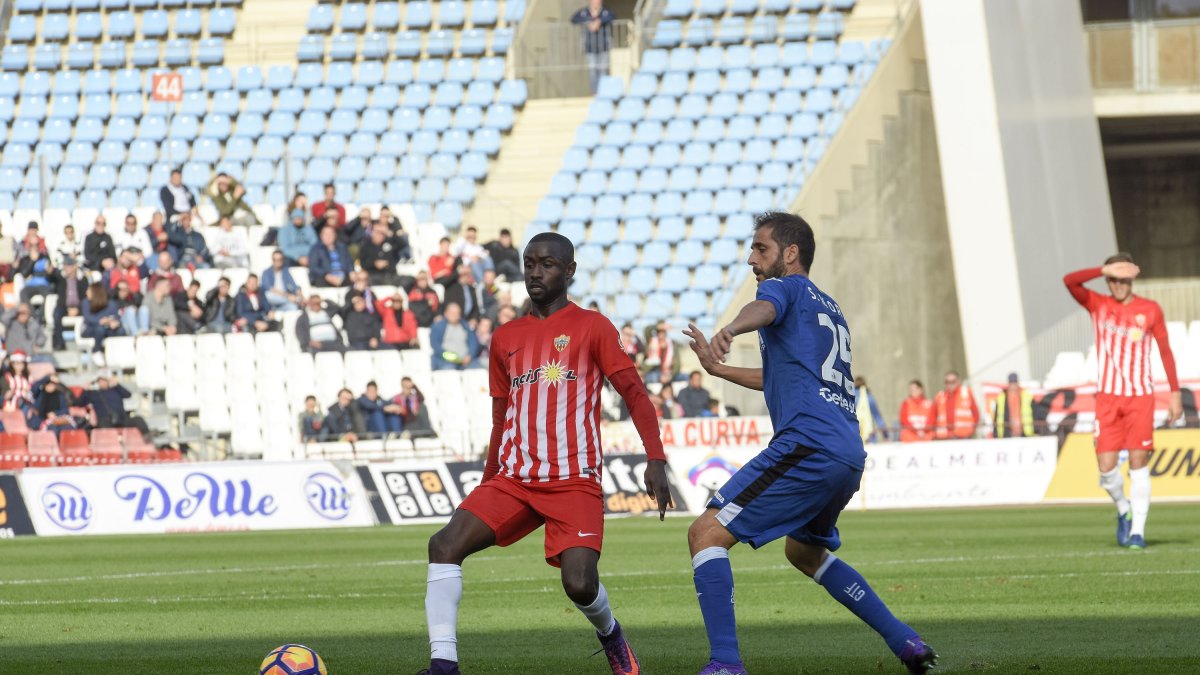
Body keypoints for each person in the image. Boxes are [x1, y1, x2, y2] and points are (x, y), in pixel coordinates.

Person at [681, 211, 936, 675]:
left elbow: (764, 308)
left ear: (790, 253)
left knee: (705, 534)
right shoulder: (829, 308)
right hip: (847, 453)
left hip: (808, 443)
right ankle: (905, 639)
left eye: (761, 249)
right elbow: (784, 374)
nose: (752, 260)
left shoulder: (785, 288)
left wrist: (731, 330)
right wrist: (718, 371)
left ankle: (725, 663)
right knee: (804, 552)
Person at [419, 231, 672, 675]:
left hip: (573, 480)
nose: (536, 272)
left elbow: (633, 392)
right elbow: (502, 417)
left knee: (578, 584)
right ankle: (444, 666)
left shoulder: (593, 326)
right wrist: (488, 479)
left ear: (569, 271)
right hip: (514, 480)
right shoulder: (505, 337)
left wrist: (655, 458)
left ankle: (611, 634)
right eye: (530, 263)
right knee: (443, 545)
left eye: (548, 264)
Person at [1064, 253, 1182, 550]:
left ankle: (1138, 533)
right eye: (1113, 279)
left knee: (1139, 463)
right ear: (1107, 280)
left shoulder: (1150, 309)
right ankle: (1122, 508)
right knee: (1106, 468)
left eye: (1124, 278)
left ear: (1132, 279)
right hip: (1108, 399)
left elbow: (1165, 351)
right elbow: (1069, 281)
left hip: (1140, 398)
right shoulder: (1098, 304)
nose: (1119, 284)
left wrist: (1175, 393)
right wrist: (1103, 268)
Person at [79, 371, 150, 438]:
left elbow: (128, 394)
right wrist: (85, 390)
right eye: (100, 381)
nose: (102, 382)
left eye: (104, 380)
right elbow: (79, 403)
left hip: (121, 419)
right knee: (103, 426)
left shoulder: (115, 390)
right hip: (105, 421)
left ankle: (147, 437)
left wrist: (117, 384)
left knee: (138, 419)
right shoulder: (93, 394)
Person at [571, 0, 615, 95]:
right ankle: (595, 92)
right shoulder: (584, 12)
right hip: (589, 47)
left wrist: (599, 21)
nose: (596, 2)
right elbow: (574, 19)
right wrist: (588, 22)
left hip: (604, 46)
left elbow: (612, 16)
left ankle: (603, 92)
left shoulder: (605, 11)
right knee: (592, 71)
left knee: (603, 70)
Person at [50, 256, 87, 350]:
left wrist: (77, 309)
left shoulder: (82, 280)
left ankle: (85, 337)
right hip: (64, 306)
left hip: (80, 306)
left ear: (74, 267)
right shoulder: (61, 280)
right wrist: (50, 270)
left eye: (68, 266)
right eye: (65, 266)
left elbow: (84, 297)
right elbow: (52, 276)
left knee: (87, 308)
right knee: (57, 314)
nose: (66, 268)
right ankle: (59, 343)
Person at [430, 303, 478, 371]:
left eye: (457, 313)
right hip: (444, 361)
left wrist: (470, 356)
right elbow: (436, 346)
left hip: (467, 361)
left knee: (483, 366)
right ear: (446, 313)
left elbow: (473, 343)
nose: (455, 315)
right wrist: (454, 358)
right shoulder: (438, 327)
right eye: (452, 313)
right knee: (449, 370)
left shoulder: (466, 326)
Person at [932, 370, 978, 440]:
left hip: (964, 435)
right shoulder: (939, 396)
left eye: (953, 381)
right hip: (945, 436)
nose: (950, 384)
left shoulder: (966, 393)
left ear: (958, 381)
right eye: (947, 382)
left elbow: (975, 413)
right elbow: (933, 416)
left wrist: (972, 430)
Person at [82, 283, 125, 353]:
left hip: (108, 328)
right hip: (91, 329)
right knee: (100, 329)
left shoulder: (111, 303)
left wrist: (115, 322)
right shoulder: (86, 303)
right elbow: (88, 319)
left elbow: (116, 317)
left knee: (121, 331)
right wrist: (102, 321)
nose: (86, 292)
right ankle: (96, 351)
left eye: (88, 290)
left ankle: (117, 353)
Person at [15, 243, 55, 311]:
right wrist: (32, 261)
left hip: (44, 285)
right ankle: (32, 314)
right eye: (32, 247)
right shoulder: (26, 259)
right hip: (31, 285)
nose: (35, 249)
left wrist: (49, 272)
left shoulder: (45, 257)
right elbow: (24, 274)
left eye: (36, 246)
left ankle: (41, 316)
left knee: (49, 295)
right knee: (23, 293)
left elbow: (50, 274)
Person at [854, 375, 889, 443]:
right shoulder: (870, 398)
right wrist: (885, 436)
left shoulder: (850, 398)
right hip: (869, 436)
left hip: (855, 434)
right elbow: (878, 418)